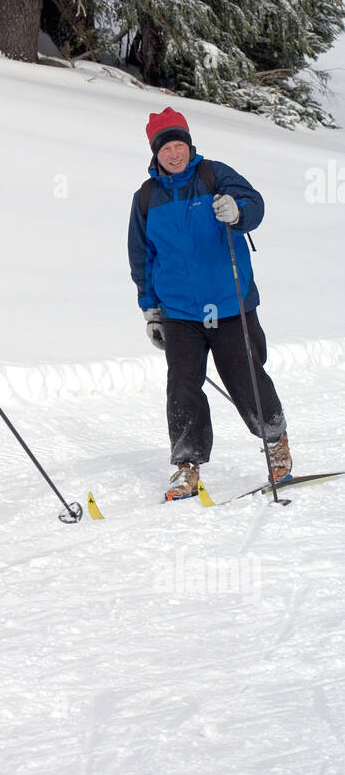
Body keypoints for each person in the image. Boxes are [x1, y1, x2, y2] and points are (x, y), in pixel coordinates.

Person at [128, 106, 291, 500]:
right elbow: (141, 255)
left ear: (189, 144)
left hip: (229, 302)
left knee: (245, 378)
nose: (174, 153)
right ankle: (187, 466)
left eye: (179, 144)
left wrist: (238, 211)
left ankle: (275, 442)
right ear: (156, 152)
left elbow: (254, 204)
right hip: (180, 311)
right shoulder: (147, 197)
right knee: (182, 388)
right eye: (166, 147)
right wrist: (150, 308)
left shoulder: (214, 174)